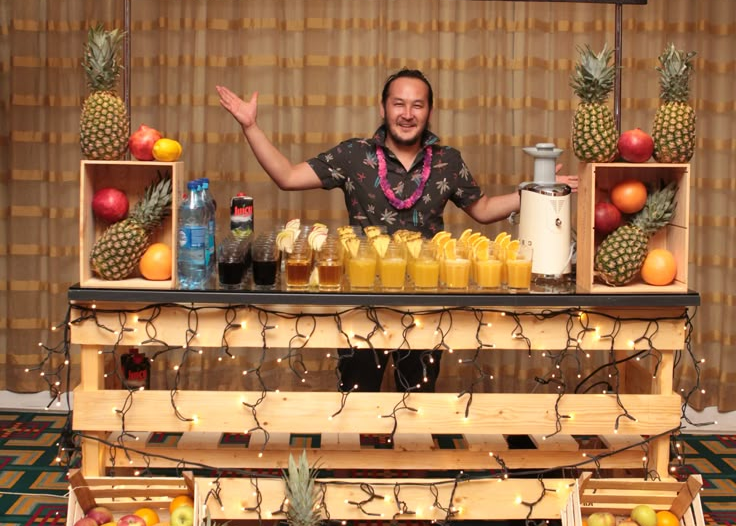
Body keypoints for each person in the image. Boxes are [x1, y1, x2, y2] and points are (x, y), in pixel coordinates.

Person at [216, 68, 574, 393]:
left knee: (417, 398)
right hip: (360, 304)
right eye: (398, 103)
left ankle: (411, 465)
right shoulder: (353, 155)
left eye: (417, 105)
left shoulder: (448, 161)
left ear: (429, 111)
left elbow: (482, 210)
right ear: (383, 108)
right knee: (357, 400)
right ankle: (359, 466)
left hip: (427, 304)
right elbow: (287, 177)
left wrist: (535, 191)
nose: (407, 113)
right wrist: (250, 126)